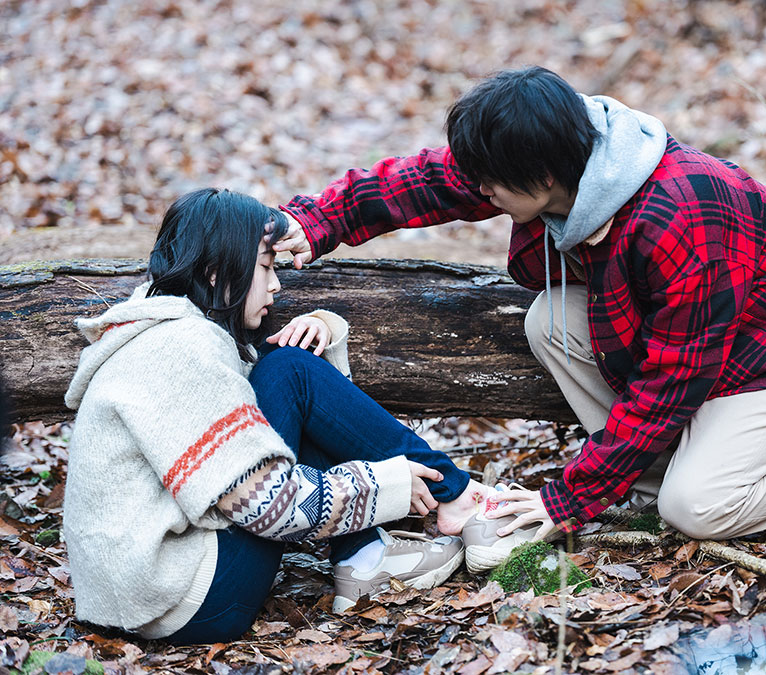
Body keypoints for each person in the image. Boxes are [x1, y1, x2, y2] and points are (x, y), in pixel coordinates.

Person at [272, 66, 766, 567]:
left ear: (542, 175)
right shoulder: (552, 153)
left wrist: (567, 497)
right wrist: (316, 221)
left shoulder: (679, 216)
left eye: (490, 185)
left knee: (697, 507)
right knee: (550, 320)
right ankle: (643, 478)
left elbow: (675, 379)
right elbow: (429, 182)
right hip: (708, 337)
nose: (480, 193)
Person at [63, 188, 487, 644]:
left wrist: (319, 334)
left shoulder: (164, 334)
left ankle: (366, 557)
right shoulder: (182, 348)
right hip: (187, 601)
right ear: (215, 273)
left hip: (146, 596)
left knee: (285, 369)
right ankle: (457, 496)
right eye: (265, 267)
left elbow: (262, 416)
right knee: (289, 372)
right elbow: (267, 506)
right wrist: (386, 485)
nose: (276, 285)